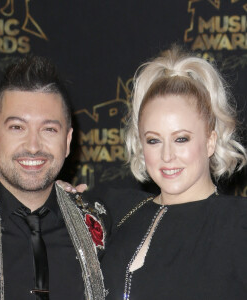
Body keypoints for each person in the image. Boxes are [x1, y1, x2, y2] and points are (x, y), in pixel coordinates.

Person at [0, 56, 107, 300]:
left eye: (49, 129)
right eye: (17, 127)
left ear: (67, 141)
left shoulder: (101, 224)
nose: (33, 146)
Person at [99, 46, 247, 299]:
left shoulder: (238, 223)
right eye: (154, 140)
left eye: (181, 139)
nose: (167, 156)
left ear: (210, 141)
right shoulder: (117, 213)